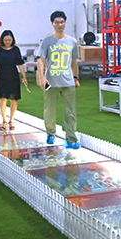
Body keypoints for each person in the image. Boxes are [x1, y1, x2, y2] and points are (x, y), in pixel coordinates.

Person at [36, 11, 80, 149]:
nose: (60, 25)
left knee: (70, 112)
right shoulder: (47, 41)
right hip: (51, 82)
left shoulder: (72, 41)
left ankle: (71, 139)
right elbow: (41, 60)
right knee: (49, 110)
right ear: (52, 24)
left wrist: (75, 78)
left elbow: (74, 62)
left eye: (62, 22)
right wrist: (42, 77)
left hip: (68, 81)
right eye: (57, 22)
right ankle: (50, 133)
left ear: (65, 23)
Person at [0, 30, 28, 149]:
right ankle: (3, 120)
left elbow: (20, 64)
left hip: (13, 76)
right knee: (2, 99)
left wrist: (24, 76)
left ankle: (11, 120)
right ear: (2, 40)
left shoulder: (16, 50)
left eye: (9, 40)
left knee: (14, 99)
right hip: (2, 76)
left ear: (12, 40)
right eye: (6, 40)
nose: (7, 42)